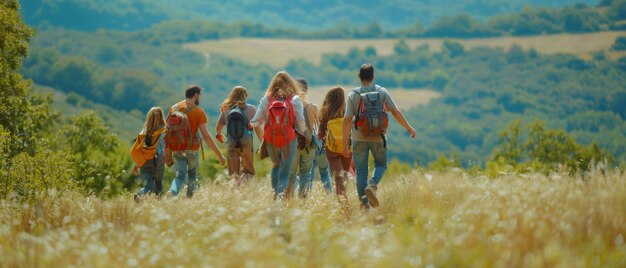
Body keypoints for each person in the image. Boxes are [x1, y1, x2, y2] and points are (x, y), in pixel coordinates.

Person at [342, 64, 416, 209]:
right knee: (381, 165)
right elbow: (395, 112)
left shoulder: (353, 95)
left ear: (359, 76)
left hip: (358, 137)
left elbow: (347, 120)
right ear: (373, 77)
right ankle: (373, 184)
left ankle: (364, 206)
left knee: (361, 172)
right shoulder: (382, 92)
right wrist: (409, 128)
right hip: (379, 137)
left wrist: (345, 143)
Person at [250, 71, 307, 199]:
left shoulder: (267, 99)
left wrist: (251, 124)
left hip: (272, 140)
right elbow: (300, 120)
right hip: (289, 140)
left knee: (276, 166)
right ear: (290, 83)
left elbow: (256, 119)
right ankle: (281, 197)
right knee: (285, 171)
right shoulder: (295, 99)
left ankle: (276, 194)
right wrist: (303, 133)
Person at [165, 85, 226, 198]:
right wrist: (220, 155)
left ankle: (172, 192)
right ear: (196, 95)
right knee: (192, 176)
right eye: (199, 96)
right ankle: (190, 200)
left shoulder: (174, 108)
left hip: (176, 147)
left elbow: (167, 131)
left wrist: (167, 150)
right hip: (192, 149)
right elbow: (206, 136)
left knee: (179, 175)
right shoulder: (198, 111)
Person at [215, 86, 263, 185]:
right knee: (248, 171)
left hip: (231, 143)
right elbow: (258, 129)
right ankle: (243, 190)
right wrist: (262, 145)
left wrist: (222, 138)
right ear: (245, 96)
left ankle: (235, 193)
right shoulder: (251, 109)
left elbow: (218, 128)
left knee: (233, 174)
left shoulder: (226, 109)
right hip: (246, 143)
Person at [286, 78, 318, 198]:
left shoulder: (289, 106)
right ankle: (303, 201)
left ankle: (288, 202)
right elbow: (316, 128)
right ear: (307, 90)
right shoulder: (313, 107)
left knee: (291, 174)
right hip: (309, 145)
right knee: (305, 174)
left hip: (293, 144)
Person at [318, 86, 352, 198]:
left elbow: (320, 135)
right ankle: (344, 199)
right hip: (347, 148)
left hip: (332, 149)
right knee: (345, 174)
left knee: (338, 177)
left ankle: (343, 203)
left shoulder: (325, 113)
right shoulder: (348, 111)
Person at [132, 107, 167, 201]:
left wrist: (136, 164)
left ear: (149, 117)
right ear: (161, 117)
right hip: (158, 162)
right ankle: (159, 205)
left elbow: (139, 148)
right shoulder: (164, 131)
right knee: (158, 184)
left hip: (144, 163)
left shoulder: (144, 131)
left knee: (148, 186)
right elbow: (166, 146)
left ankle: (139, 195)